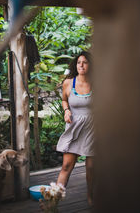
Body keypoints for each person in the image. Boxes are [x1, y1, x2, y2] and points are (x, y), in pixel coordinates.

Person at [56, 51, 94, 206]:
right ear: (75, 65)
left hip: (93, 128)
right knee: (66, 166)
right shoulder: (69, 82)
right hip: (74, 127)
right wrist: (66, 110)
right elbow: (65, 99)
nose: (82, 65)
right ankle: (54, 201)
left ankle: (91, 198)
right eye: (79, 62)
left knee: (91, 168)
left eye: (85, 62)